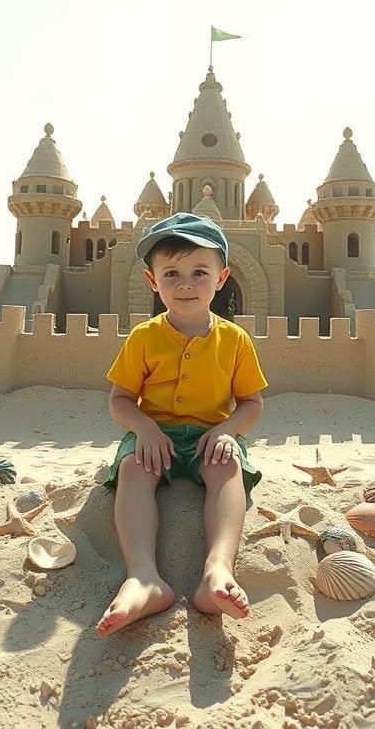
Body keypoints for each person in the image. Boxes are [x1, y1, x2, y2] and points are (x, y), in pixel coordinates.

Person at [96, 212, 268, 636]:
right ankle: (143, 577)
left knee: (226, 469)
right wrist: (145, 430)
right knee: (135, 469)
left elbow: (251, 404)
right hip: (156, 437)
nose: (186, 283)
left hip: (211, 436)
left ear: (222, 277)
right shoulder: (144, 338)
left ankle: (217, 571)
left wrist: (227, 431)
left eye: (199, 272)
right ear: (153, 281)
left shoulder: (235, 340)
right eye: (171, 272)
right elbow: (120, 401)